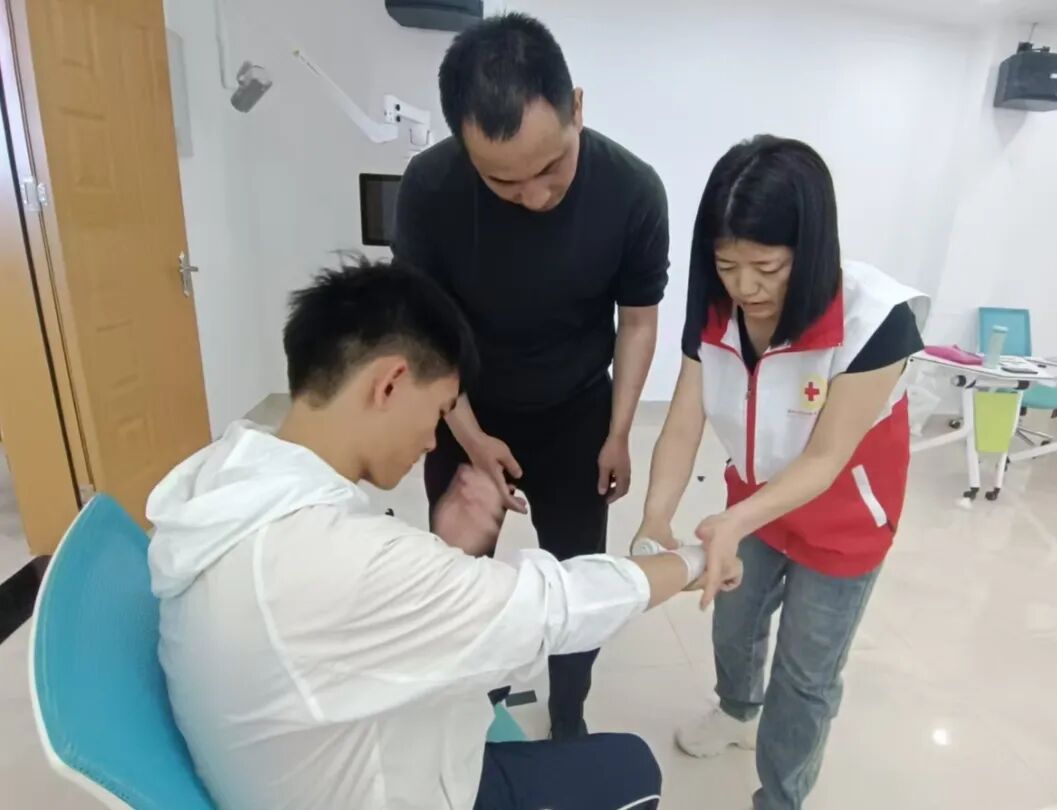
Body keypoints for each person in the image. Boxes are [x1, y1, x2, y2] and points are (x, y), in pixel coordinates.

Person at [147, 258, 706, 810]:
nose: (434, 441)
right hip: (386, 787)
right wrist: (694, 562)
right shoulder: (329, 557)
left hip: (313, 750)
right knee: (631, 769)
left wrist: (446, 555)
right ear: (390, 383)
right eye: (439, 411)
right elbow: (552, 609)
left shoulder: (226, 481)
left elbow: (359, 621)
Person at [394, 12, 670, 740]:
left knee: (579, 582)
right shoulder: (430, 188)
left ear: (577, 106)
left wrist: (619, 433)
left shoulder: (633, 190)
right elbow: (424, 332)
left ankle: (569, 709)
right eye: (503, 181)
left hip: (577, 416)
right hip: (465, 411)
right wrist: (470, 437)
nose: (536, 196)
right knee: (461, 582)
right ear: (463, 145)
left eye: (552, 168)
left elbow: (637, 322)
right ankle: (472, 712)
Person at [635, 136, 928, 810]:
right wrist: (655, 517)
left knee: (806, 673)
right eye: (727, 265)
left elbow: (825, 459)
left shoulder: (875, 320)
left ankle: (782, 797)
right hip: (755, 499)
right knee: (733, 623)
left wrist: (731, 521)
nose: (745, 287)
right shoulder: (714, 307)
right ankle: (737, 711)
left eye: (767, 267)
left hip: (844, 521)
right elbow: (683, 420)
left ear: (812, 249)